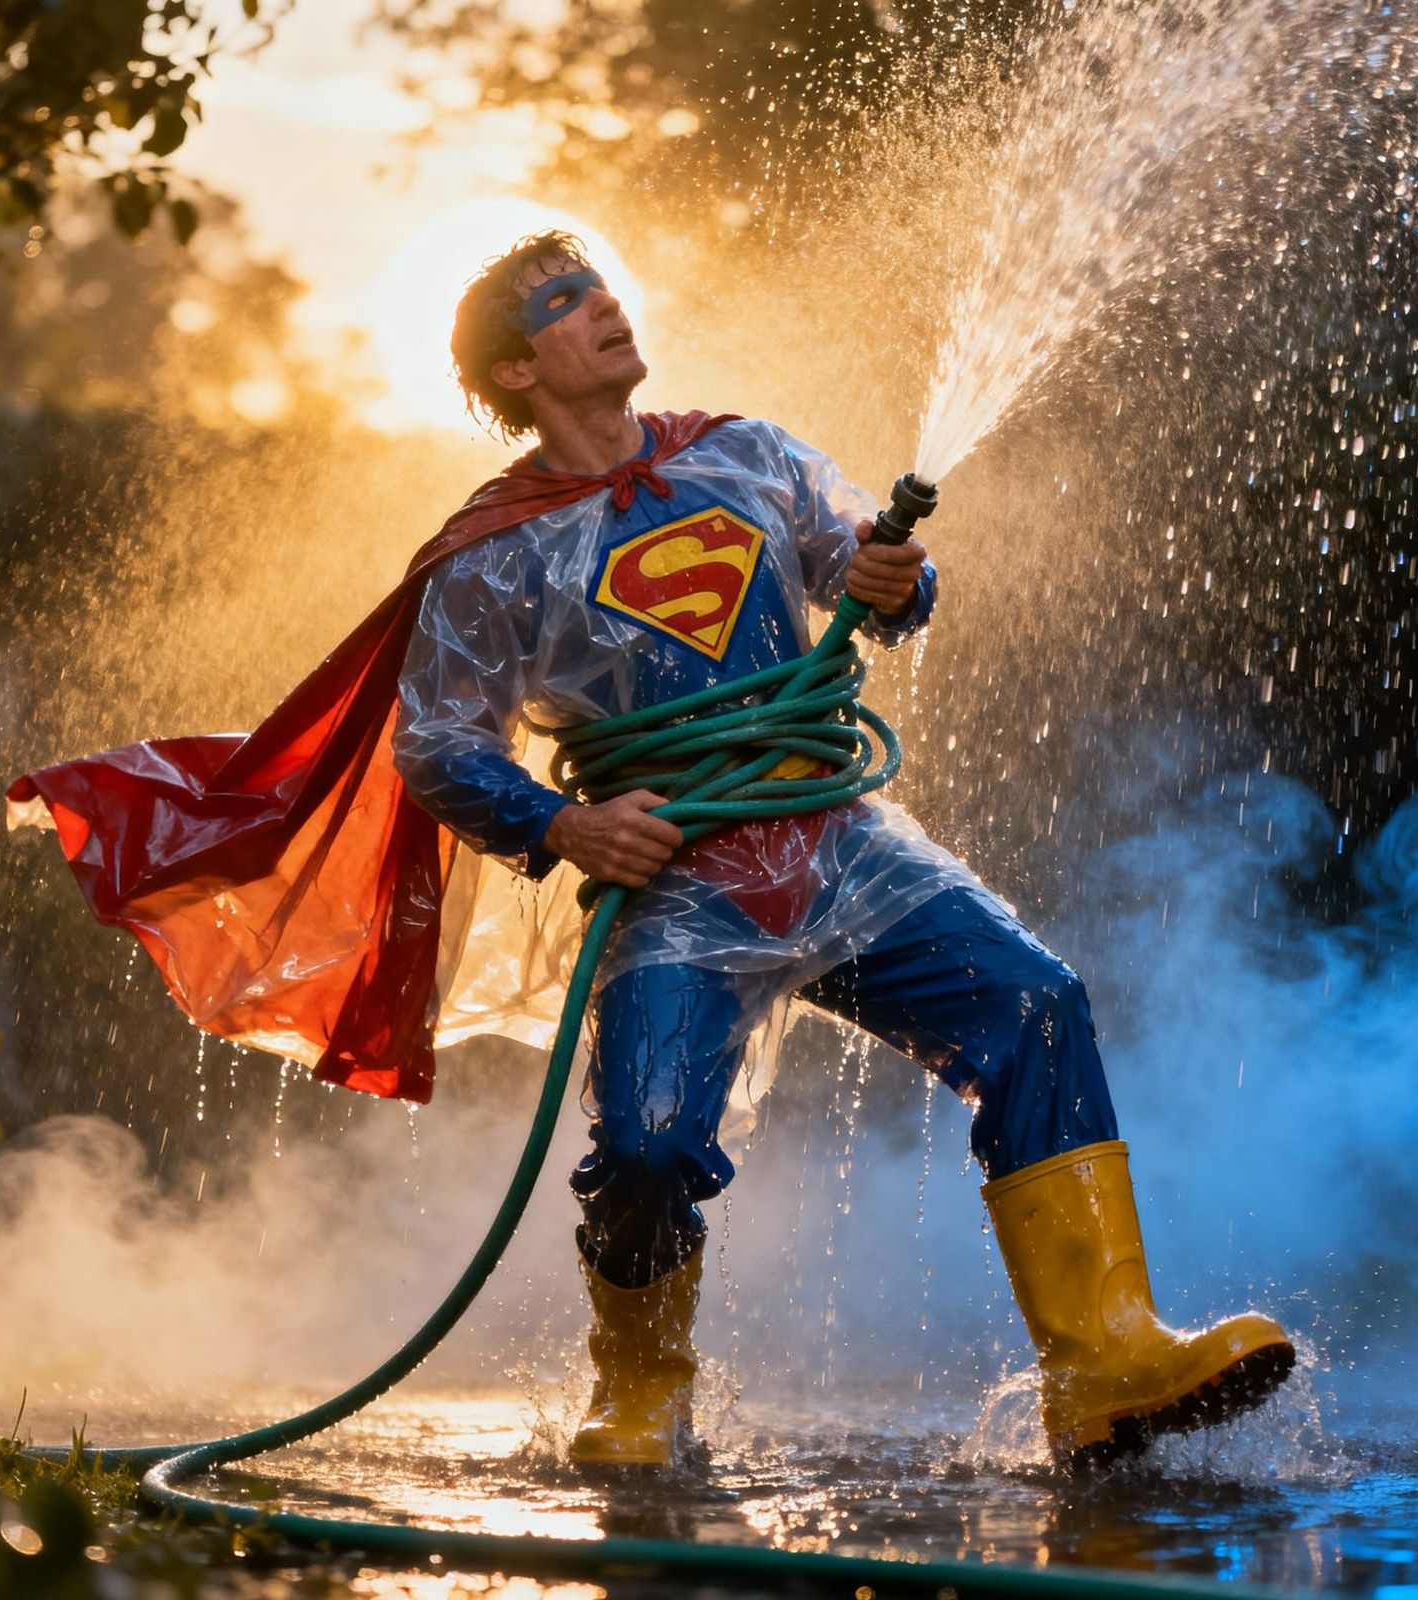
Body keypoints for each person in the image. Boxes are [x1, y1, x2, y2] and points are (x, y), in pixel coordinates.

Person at [388, 230, 1298, 1472]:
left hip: (836, 841)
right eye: (563, 300)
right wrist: (567, 823)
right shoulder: (489, 551)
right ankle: (641, 1387)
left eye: (603, 283)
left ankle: (1104, 1360)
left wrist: (891, 574)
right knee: (647, 1142)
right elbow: (436, 742)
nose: (604, 305)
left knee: (1035, 1005)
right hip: (677, 882)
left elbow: (876, 586)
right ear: (511, 374)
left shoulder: (744, 453)